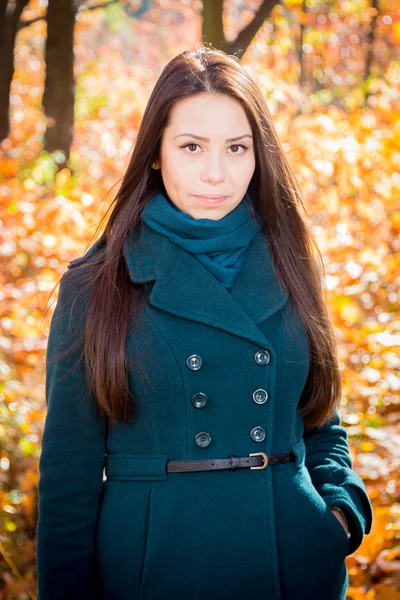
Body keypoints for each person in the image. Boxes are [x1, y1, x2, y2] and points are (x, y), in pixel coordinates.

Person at [36, 47, 373, 600]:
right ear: (155, 154)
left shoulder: (290, 262)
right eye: (191, 147)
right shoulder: (96, 286)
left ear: (258, 156)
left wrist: (340, 511)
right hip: (155, 571)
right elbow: (67, 487)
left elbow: (320, 418)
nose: (216, 173)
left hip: (294, 567)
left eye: (237, 148)